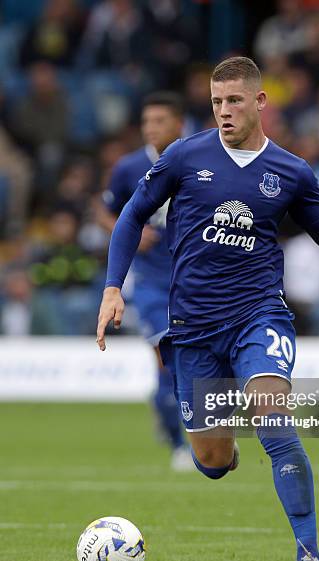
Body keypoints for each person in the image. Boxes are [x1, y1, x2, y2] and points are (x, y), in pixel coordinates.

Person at [96, 57, 319, 561]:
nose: (224, 111)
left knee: (273, 417)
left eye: (234, 101)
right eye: (215, 102)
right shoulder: (184, 157)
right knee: (210, 461)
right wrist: (113, 287)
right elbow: (131, 215)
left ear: (259, 102)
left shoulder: (291, 172)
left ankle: (309, 553)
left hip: (260, 315)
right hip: (192, 329)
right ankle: (223, 452)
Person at [96, 91, 193, 471]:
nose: (151, 129)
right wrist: (129, 230)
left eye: (159, 122)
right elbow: (105, 213)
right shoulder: (128, 167)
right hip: (152, 283)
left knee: (196, 363)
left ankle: (174, 414)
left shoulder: (201, 161)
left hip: (197, 283)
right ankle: (177, 444)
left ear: (179, 124)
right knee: (166, 358)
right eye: (146, 123)